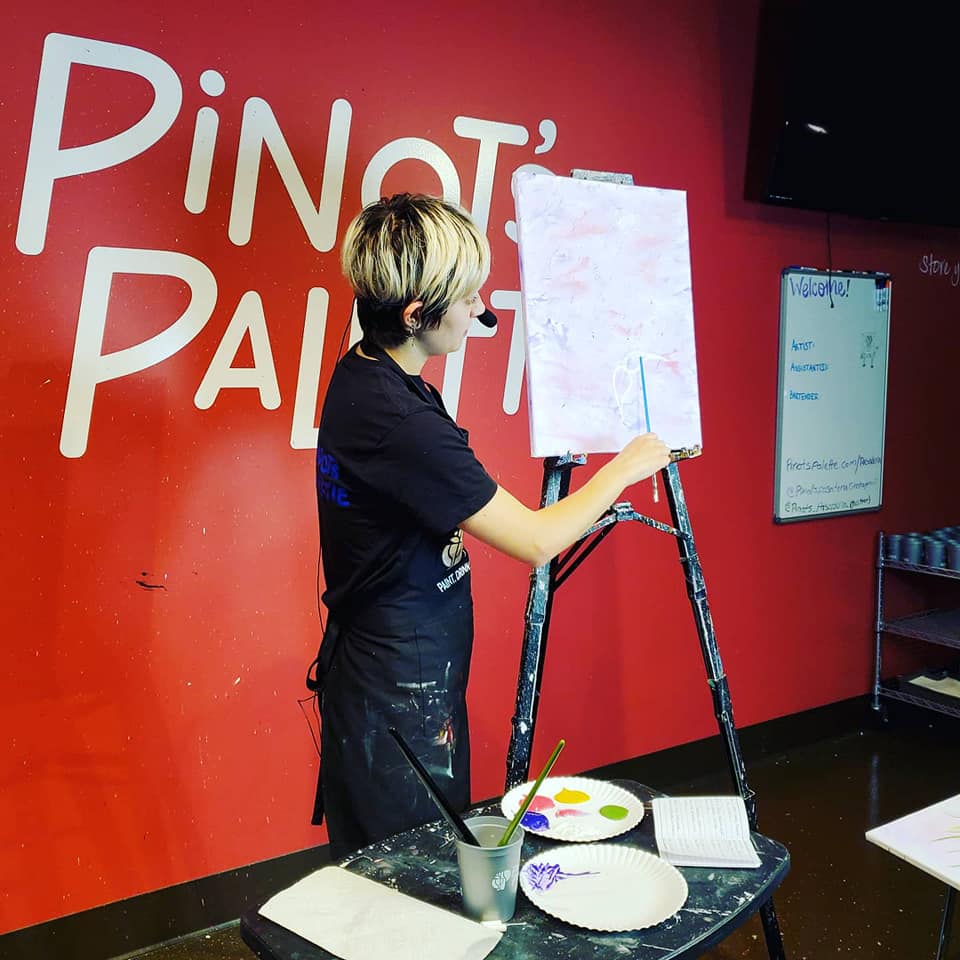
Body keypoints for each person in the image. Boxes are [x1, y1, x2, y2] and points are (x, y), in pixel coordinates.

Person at [309, 193, 669, 859]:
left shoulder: (372, 373)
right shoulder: (400, 420)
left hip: (404, 677)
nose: (481, 309)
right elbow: (535, 539)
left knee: (417, 863)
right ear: (416, 314)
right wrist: (624, 468)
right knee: (406, 875)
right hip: (398, 692)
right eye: (467, 297)